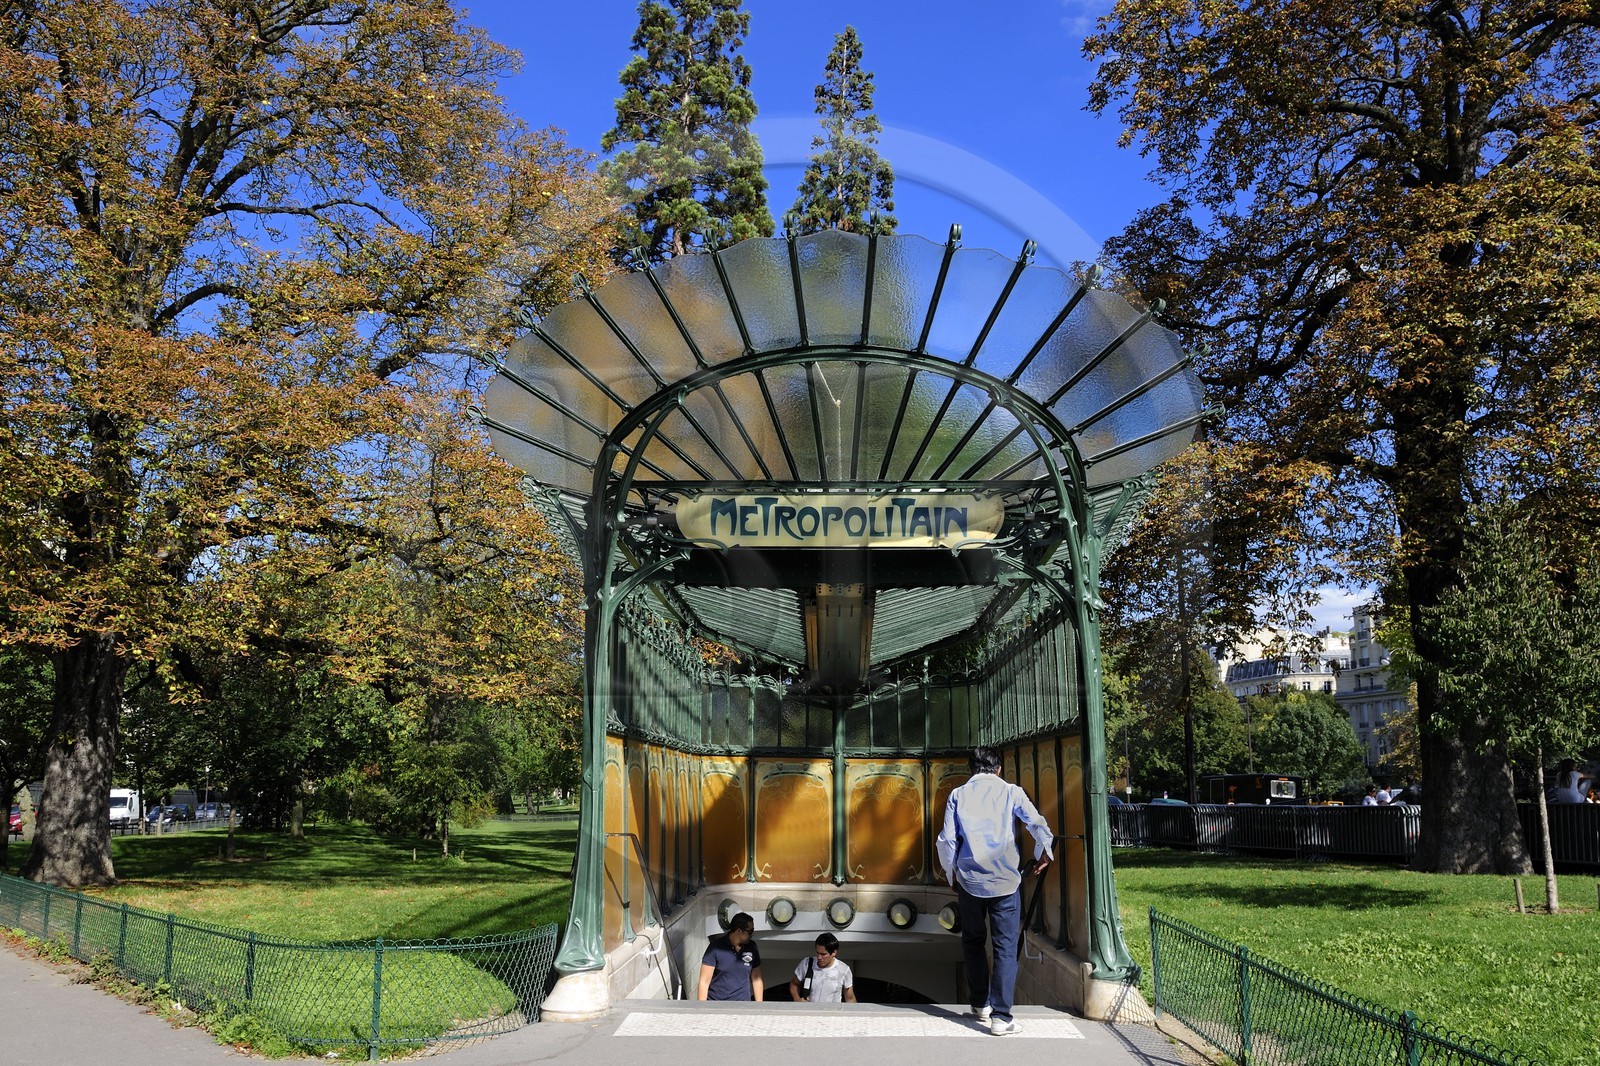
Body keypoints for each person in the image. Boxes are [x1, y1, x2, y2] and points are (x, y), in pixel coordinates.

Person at [935, 746, 1054, 1037]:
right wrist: (1044, 852)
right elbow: (1036, 823)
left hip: (969, 883)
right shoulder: (1012, 792)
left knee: (973, 941)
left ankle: (979, 1004)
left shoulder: (958, 795)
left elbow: (947, 840)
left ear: (971, 769)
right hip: (1005, 883)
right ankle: (1001, 1017)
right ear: (999, 769)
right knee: (1004, 947)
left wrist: (951, 873)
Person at [697, 911, 764, 1001]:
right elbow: (704, 982)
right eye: (750, 931)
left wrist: (759, 1007)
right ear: (739, 931)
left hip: (742, 1005)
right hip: (717, 1004)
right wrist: (702, 1010)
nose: (752, 935)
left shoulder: (752, 947)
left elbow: (757, 979)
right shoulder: (715, 948)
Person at [789, 932, 857, 1003]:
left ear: (834, 953)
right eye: (817, 953)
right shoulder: (806, 963)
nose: (819, 957)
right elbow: (794, 984)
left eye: (823, 954)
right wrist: (797, 1000)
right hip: (810, 1011)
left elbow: (850, 998)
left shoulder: (843, 969)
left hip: (832, 1012)